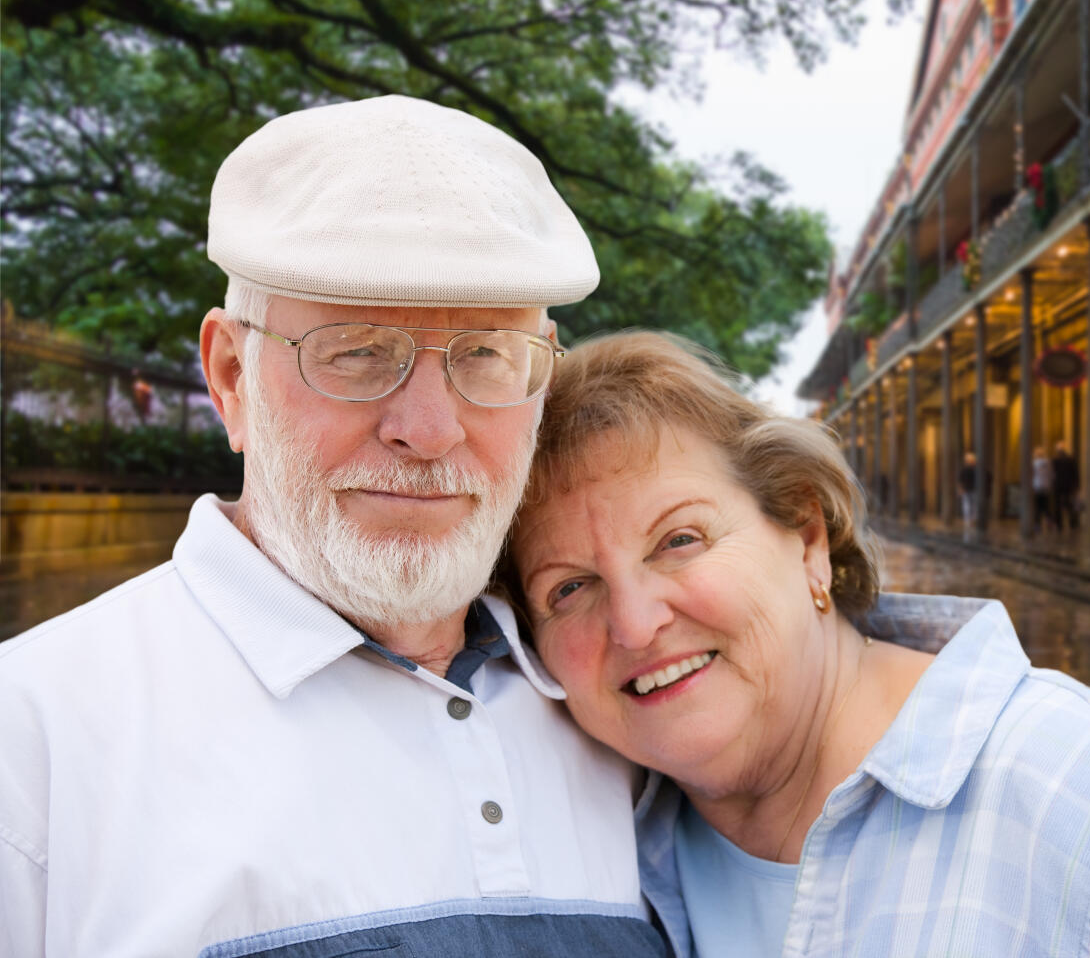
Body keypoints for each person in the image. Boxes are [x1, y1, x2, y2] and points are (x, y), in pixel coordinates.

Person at [0, 96, 661, 955]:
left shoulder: (623, 705)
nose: (428, 429)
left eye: (489, 355)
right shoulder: (34, 733)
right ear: (233, 375)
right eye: (357, 350)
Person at [503, 331, 1090, 958]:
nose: (635, 620)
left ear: (806, 537)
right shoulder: (600, 846)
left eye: (679, 539)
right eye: (569, 587)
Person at [1051, 440, 1080, 531]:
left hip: (1058, 484)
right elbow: (1075, 473)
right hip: (1068, 484)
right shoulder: (1070, 459)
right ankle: (1072, 522)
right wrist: (1076, 484)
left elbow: (1052, 473)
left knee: (1057, 505)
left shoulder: (1055, 460)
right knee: (1069, 503)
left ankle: (1059, 524)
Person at [1031, 445, 1055, 532]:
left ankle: (1037, 524)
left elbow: (1032, 475)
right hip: (1046, 486)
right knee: (1045, 505)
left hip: (1037, 486)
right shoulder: (1048, 463)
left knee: (1037, 506)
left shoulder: (1034, 463)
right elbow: (1052, 475)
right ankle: (1049, 521)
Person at [956, 449, 978, 531]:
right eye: (968, 460)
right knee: (967, 506)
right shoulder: (964, 470)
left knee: (974, 506)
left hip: (974, 490)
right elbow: (960, 480)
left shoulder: (976, 470)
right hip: (967, 490)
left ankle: (973, 520)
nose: (970, 462)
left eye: (971, 460)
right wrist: (960, 489)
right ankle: (968, 521)